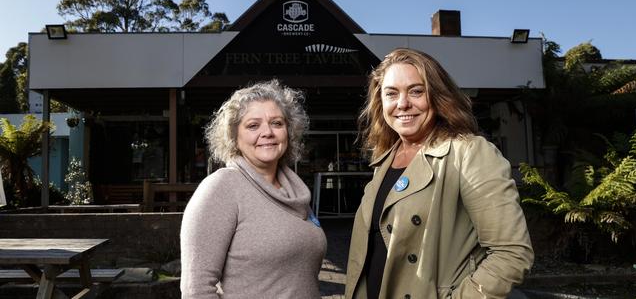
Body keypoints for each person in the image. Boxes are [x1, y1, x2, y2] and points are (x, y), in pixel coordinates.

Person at [345, 48, 534, 299]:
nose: (403, 104)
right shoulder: (384, 161)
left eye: (416, 91)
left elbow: (511, 253)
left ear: (436, 96)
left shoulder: (469, 152)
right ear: (380, 102)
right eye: (391, 93)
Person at [181, 79, 326, 299]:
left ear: (289, 131)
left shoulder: (295, 191)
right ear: (234, 137)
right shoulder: (220, 189)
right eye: (253, 125)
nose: (267, 132)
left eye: (277, 123)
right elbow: (197, 290)